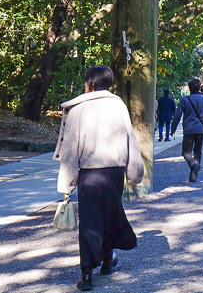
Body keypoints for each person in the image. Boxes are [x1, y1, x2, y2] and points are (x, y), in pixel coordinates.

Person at [54, 65, 144, 291]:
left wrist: (67, 183)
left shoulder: (79, 108)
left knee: (89, 221)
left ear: (91, 84)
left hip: (90, 174)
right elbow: (129, 137)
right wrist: (134, 171)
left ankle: (86, 273)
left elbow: (70, 150)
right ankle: (107, 260)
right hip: (114, 173)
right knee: (111, 215)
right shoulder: (118, 105)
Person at [170, 78, 203, 182]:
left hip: (188, 128)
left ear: (189, 88)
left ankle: (192, 165)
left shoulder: (185, 100)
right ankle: (194, 171)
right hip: (201, 128)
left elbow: (177, 115)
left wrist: (172, 129)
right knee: (198, 151)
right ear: (200, 87)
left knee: (186, 152)